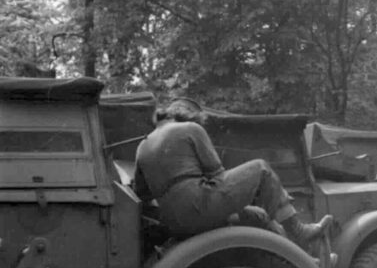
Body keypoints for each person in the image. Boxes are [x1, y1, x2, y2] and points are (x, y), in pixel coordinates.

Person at [132, 97, 332, 250]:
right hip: (200, 205)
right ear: (190, 116)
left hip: (174, 222)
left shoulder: (142, 147)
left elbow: (141, 195)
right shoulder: (190, 129)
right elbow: (217, 176)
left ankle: (293, 256)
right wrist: (242, 194)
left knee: (259, 215)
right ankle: (299, 232)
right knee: (262, 169)